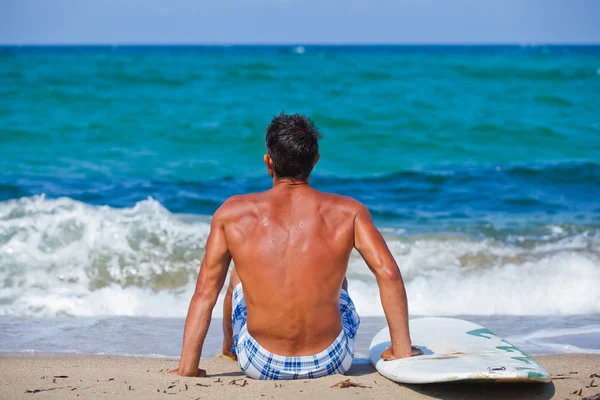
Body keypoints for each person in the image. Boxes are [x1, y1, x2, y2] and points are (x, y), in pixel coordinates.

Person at [170, 112, 421, 380]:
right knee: (339, 280)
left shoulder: (231, 213)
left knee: (236, 277)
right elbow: (388, 273)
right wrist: (401, 350)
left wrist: (187, 369)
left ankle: (230, 349)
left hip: (258, 362)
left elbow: (205, 292)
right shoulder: (349, 211)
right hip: (332, 360)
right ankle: (399, 348)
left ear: (268, 162)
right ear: (315, 161)